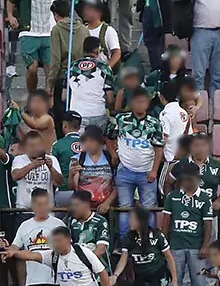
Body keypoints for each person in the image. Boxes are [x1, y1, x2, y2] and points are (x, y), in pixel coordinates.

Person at [108, 88, 164, 237]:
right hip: (125, 170)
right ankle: (124, 243)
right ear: (132, 103)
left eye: (143, 102)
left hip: (146, 172)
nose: (141, 105)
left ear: (148, 104)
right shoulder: (120, 119)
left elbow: (159, 149)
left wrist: (154, 170)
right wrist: (114, 154)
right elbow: (108, 137)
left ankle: (150, 240)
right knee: (125, 208)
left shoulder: (155, 123)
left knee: (149, 208)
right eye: (137, 102)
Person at [161, 162, 213, 286]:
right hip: (176, 246)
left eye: (189, 179)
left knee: (199, 284)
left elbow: (208, 224)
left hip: (196, 247)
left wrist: (205, 246)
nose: (186, 182)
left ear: (198, 179)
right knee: (175, 284)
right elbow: (165, 223)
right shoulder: (172, 197)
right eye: (183, 179)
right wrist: (165, 246)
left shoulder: (204, 198)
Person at [114, 204, 178, 286]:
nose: (129, 221)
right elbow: (123, 259)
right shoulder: (128, 238)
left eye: (132, 219)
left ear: (141, 221)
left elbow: (169, 258)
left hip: (158, 275)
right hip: (140, 276)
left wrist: (174, 280)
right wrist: (115, 275)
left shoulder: (158, 236)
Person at [166, 134, 220, 209]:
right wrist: (172, 201)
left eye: (203, 145)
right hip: (184, 211)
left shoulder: (217, 165)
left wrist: (218, 201)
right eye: (196, 145)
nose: (200, 149)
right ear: (190, 147)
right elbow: (168, 184)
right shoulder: (180, 164)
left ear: (208, 147)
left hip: (209, 211)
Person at [66, 37, 115, 131]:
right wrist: (112, 111)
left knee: (80, 145)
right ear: (97, 50)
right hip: (98, 113)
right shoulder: (104, 68)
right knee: (97, 144)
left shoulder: (72, 67)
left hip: (77, 114)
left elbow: (64, 96)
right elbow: (110, 99)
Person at [7, 0, 55, 93]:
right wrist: (10, 16)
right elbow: (11, 1)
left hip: (50, 32)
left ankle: (49, 98)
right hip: (28, 32)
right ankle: (32, 96)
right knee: (32, 67)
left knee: (50, 69)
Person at [12, 131, 64, 210]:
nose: (35, 148)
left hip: (47, 210)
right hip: (24, 210)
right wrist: (32, 165)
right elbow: (15, 176)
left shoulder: (52, 159)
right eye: (31, 146)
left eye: (38, 145)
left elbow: (60, 181)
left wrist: (51, 167)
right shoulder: (19, 159)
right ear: (25, 147)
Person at [69, 125, 116, 212]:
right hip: (83, 207)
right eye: (86, 141)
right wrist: (71, 175)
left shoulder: (110, 158)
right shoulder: (77, 159)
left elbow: (117, 185)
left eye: (92, 141)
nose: (88, 144)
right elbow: (72, 187)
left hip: (105, 206)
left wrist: (107, 203)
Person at [47, 1, 90, 95]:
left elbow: (56, 59)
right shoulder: (84, 29)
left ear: (55, 14)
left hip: (63, 77)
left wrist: (50, 83)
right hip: (82, 75)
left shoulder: (56, 30)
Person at [191, 0, 220, 96]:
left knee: (218, 75)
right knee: (198, 75)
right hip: (200, 30)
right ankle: (198, 106)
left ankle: (216, 106)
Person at [66, 188, 111, 268]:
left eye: (77, 205)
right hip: (75, 268)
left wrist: (84, 264)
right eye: (72, 205)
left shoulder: (100, 221)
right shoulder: (70, 222)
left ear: (87, 204)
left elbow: (101, 250)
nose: (74, 208)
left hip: (96, 267)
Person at [158, 79, 194, 171]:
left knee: (165, 185)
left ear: (161, 97)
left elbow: (164, 139)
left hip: (170, 160)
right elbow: (189, 137)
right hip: (184, 159)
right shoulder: (184, 113)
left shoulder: (165, 114)